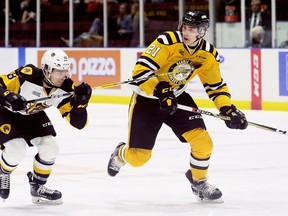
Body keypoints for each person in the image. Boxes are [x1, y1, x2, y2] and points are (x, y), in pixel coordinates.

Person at [107, 11, 248, 203]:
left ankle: (198, 182)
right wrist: (161, 90)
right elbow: (140, 72)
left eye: (191, 29)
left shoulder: (207, 54)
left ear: (201, 32)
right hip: (147, 99)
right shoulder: (167, 41)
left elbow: (215, 86)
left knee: (203, 142)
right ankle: (121, 152)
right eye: (184, 27)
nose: (185, 32)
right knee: (139, 158)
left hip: (177, 97)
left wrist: (228, 109)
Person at [0, 49, 92, 204]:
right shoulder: (26, 75)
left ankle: (37, 186)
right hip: (6, 113)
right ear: (47, 70)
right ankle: (3, 172)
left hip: (33, 116)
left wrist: (81, 104)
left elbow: (79, 124)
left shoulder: (66, 88)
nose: (64, 76)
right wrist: (9, 97)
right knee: (16, 149)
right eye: (59, 72)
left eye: (65, 71)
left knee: (50, 147)